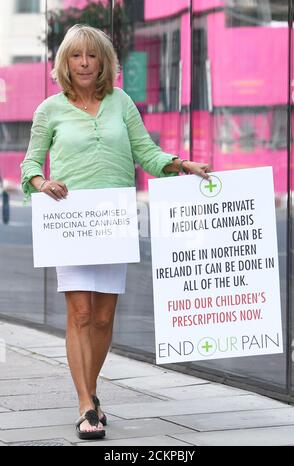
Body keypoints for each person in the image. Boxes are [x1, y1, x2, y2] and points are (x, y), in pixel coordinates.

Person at [21, 24, 210, 440]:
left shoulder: (121, 102)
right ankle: (85, 405)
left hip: (113, 221)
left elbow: (146, 152)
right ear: (64, 63)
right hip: (70, 221)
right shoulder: (49, 109)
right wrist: (43, 184)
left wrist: (181, 164)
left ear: (104, 62)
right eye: (76, 56)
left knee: (104, 317)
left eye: (91, 56)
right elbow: (30, 166)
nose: (84, 63)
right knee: (81, 313)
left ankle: (92, 392)